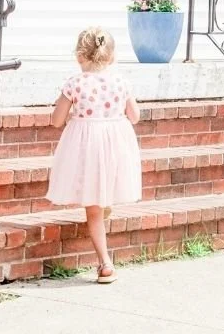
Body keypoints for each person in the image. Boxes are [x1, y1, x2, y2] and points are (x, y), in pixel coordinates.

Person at [47, 26, 142, 283]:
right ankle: (105, 204)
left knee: (93, 206)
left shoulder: (75, 83)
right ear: (112, 56)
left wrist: (75, 116)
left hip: (87, 146)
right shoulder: (121, 82)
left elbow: (56, 121)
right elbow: (135, 116)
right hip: (116, 144)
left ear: (79, 56)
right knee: (106, 184)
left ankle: (105, 263)